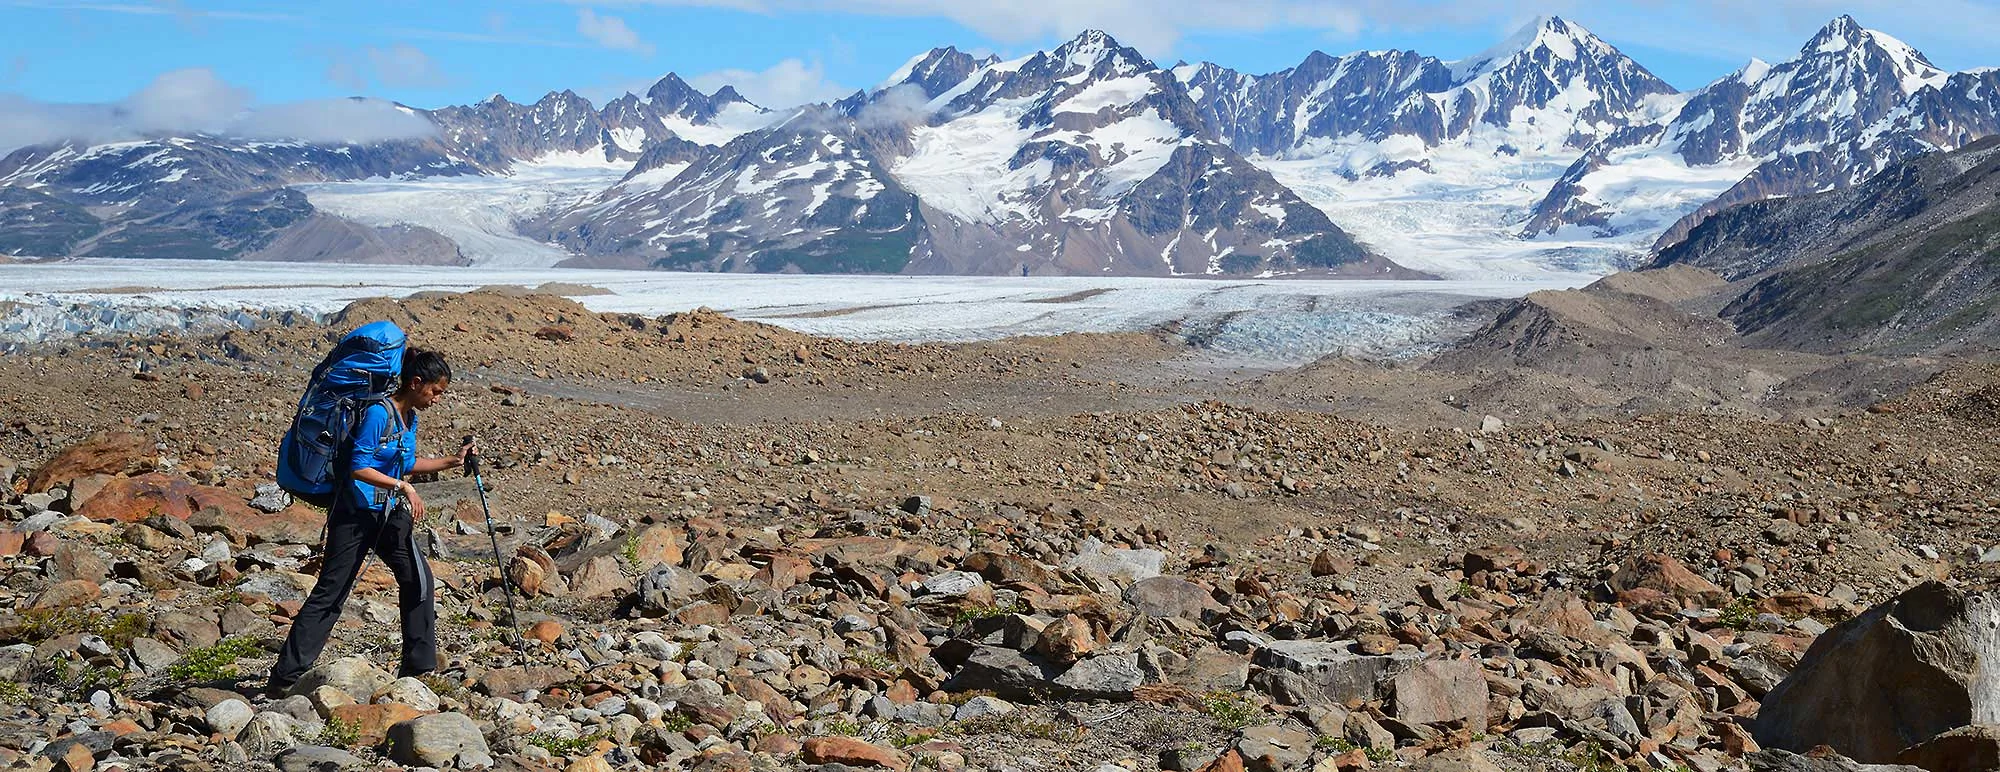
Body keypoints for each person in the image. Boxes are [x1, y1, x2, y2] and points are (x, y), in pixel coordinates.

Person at [267, 347, 470, 692]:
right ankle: (284, 679)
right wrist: (403, 487)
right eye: (435, 391)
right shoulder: (379, 412)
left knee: (419, 580)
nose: (438, 398)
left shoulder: (409, 418)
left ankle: (418, 669)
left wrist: (453, 461)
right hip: (355, 514)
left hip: (388, 515)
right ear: (416, 382)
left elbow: (403, 463)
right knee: (332, 592)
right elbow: (358, 467)